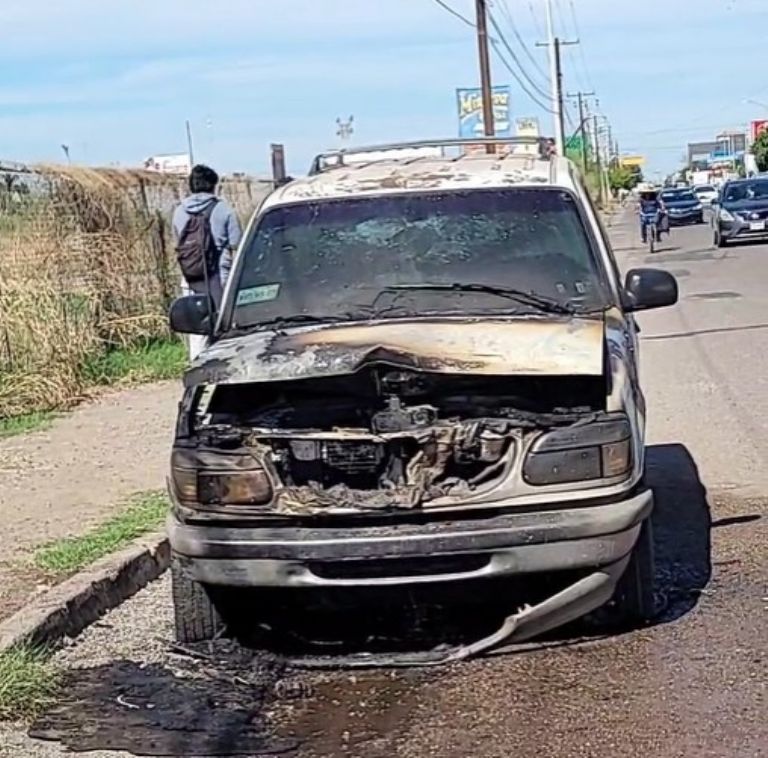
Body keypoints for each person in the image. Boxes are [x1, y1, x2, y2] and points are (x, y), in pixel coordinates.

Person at [173, 165, 242, 359]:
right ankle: (224, 363)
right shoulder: (224, 209)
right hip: (219, 275)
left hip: (190, 276)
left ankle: (198, 366)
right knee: (223, 322)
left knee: (196, 326)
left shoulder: (179, 211)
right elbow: (236, 242)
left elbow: (177, 240)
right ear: (213, 186)